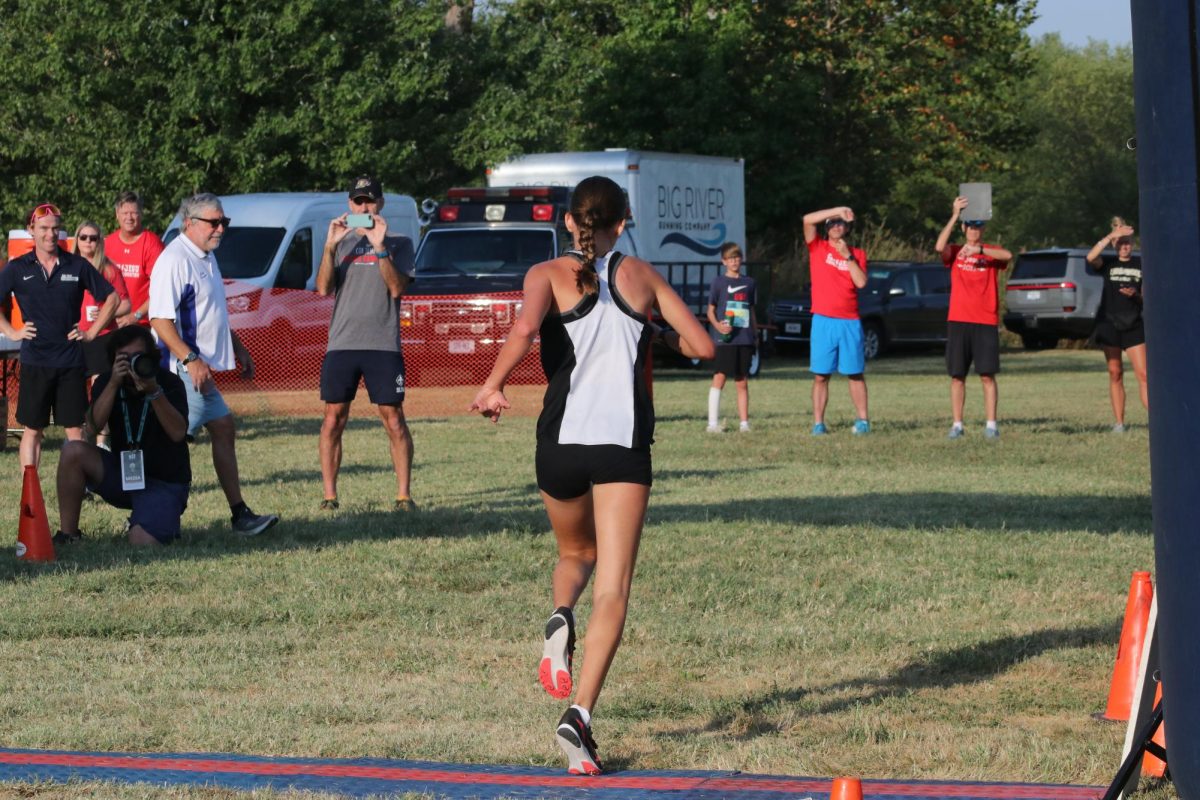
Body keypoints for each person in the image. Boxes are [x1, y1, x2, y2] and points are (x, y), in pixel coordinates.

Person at [470, 176, 714, 775]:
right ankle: (579, 715)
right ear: (622, 222)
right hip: (621, 446)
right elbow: (704, 346)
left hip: (559, 442)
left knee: (575, 552)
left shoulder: (544, 274)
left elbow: (525, 332)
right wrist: (653, 331)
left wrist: (493, 384)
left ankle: (559, 618)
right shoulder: (644, 276)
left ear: (570, 220)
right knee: (615, 585)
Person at [149, 192, 279, 537]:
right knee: (168, 447)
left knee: (222, 428)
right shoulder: (175, 259)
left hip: (200, 371)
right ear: (189, 223)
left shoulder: (205, 256)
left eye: (224, 222)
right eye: (214, 222)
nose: (221, 228)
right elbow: (160, 320)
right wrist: (189, 359)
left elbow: (214, 312)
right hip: (182, 372)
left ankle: (239, 515)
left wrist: (239, 347)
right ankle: (150, 517)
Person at [314, 175, 417, 511]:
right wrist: (329, 246)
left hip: (383, 344)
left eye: (369, 201)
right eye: (358, 202)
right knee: (333, 419)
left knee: (393, 419)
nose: (364, 207)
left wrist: (380, 247)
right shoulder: (340, 242)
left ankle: (403, 495)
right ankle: (330, 496)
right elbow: (323, 289)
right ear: (349, 205)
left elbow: (397, 288)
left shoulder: (399, 243)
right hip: (341, 343)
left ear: (380, 204)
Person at [0, 203, 119, 469]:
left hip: (70, 362)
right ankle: (30, 495)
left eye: (55, 228)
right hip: (35, 360)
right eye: (43, 228)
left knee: (75, 431)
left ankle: (80, 487)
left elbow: (112, 298)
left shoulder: (76, 265)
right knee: (33, 430)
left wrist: (91, 333)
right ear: (31, 229)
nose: (50, 234)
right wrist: (11, 330)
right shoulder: (18, 268)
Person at [55, 325, 190, 546]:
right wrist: (113, 384)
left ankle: (158, 520)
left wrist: (154, 391)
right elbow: (92, 427)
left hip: (164, 481)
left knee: (141, 540)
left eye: (138, 357)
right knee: (73, 450)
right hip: (124, 477)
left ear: (151, 356)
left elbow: (177, 433)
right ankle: (68, 535)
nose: (132, 364)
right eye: (124, 359)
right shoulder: (107, 382)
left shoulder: (169, 382)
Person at [934, 196, 1013, 439]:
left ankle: (991, 425)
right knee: (957, 376)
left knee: (987, 375)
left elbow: (1008, 256)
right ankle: (957, 424)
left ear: (983, 229)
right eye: (970, 226)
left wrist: (979, 250)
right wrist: (955, 214)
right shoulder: (956, 252)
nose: (974, 231)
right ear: (963, 228)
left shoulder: (991, 252)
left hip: (985, 321)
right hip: (959, 320)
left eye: (978, 226)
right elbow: (939, 248)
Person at [802, 206, 870, 435]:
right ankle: (818, 423)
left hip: (849, 321)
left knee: (855, 373)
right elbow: (807, 219)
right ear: (827, 228)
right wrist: (837, 209)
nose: (836, 227)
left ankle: (863, 421)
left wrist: (847, 257)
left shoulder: (857, 253)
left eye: (840, 223)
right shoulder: (817, 248)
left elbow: (861, 283)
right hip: (823, 320)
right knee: (821, 375)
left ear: (847, 228)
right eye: (832, 223)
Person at [1085, 217, 1147, 431]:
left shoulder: (1141, 264)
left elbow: (1147, 298)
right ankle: (1119, 423)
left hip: (1134, 324)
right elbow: (1091, 256)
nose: (1124, 246)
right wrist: (1112, 235)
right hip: (1109, 323)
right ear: (1115, 244)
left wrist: (1136, 295)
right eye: (1121, 242)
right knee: (1115, 372)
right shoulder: (1108, 263)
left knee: (1144, 374)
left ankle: (1156, 422)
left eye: (1128, 242)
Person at [705, 241, 757, 433]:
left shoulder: (750, 283)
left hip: (744, 338)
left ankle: (744, 423)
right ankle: (712, 423)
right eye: (730, 258)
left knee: (742, 381)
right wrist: (718, 326)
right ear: (723, 261)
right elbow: (710, 311)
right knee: (719, 377)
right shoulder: (718, 283)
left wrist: (755, 333)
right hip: (725, 340)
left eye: (737, 258)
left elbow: (751, 311)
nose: (734, 261)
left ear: (741, 259)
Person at [73, 220, 132, 376]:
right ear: (76, 239)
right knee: (71, 383)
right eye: (83, 237)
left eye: (93, 238)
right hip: (73, 333)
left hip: (102, 334)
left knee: (98, 382)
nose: (88, 241)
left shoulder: (109, 269)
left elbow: (126, 304)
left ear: (99, 242)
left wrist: (105, 312)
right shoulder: (66, 266)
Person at [105, 191, 165, 328]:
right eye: (125, 213)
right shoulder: (108, 243)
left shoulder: (152, 244)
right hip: (111, 323)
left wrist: (136, 316)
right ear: (117, 215)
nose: (129, 217)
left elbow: (162, 289)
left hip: (142, 324)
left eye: (134, 212)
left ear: (141, 214)